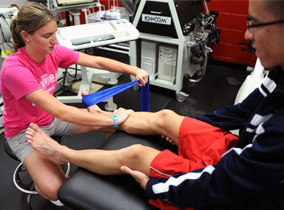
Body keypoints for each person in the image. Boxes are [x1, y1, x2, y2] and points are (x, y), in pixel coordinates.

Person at [26, 0, 284, 209]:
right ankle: (116, 118)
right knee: (166, 117)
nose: (248, 34)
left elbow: (225, 182)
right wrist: (181, 130)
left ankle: (65, 153)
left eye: (255, 24)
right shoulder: (278, 74)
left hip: (235, 189)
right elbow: (241, 112)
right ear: (27, 36)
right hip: (238, 152)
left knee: (137, 153)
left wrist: (153, 187)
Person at [0, 2, 148, 206]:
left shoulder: (54, 52)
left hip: (51, 120)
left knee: (118, 125)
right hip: (24, 132)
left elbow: (96, 62)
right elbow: (61, 111)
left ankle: (102, 168)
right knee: (55, 190)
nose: (55, 40)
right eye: (46, 36)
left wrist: (133, 70)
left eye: (55, 32)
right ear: (26, 36)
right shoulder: (14, 69)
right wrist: (109, 117)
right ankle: (44, 168)